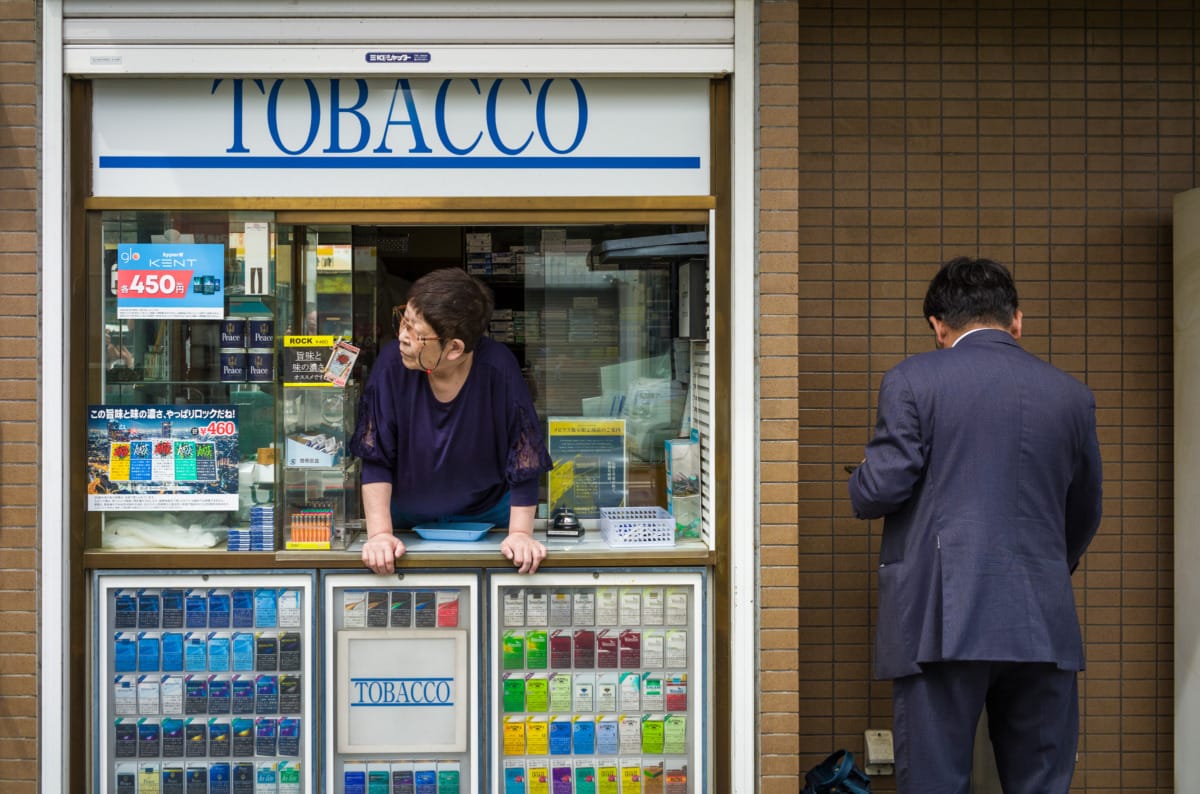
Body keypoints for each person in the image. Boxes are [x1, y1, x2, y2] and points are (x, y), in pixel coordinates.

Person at [847, 256, 1103, 793]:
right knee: (1040, 782)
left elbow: (882, 490)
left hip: (944, 620)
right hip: (1043, 622)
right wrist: (1049, 566)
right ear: (1016, 321)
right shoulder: (1071, 395)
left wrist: (862, 478)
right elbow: (1085, 510)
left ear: (940, 326)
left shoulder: (913, 380)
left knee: (937, 781)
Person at [349, 267, 553, 575]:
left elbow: (523, 454)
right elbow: (375, 454)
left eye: (416, 332)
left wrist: (520, 534)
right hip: (405, 523)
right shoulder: (391, 364)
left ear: (455, 347)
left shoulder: (497, 367)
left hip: (487, 521)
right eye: (403, 320)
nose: (403, 337)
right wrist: (379, 535)